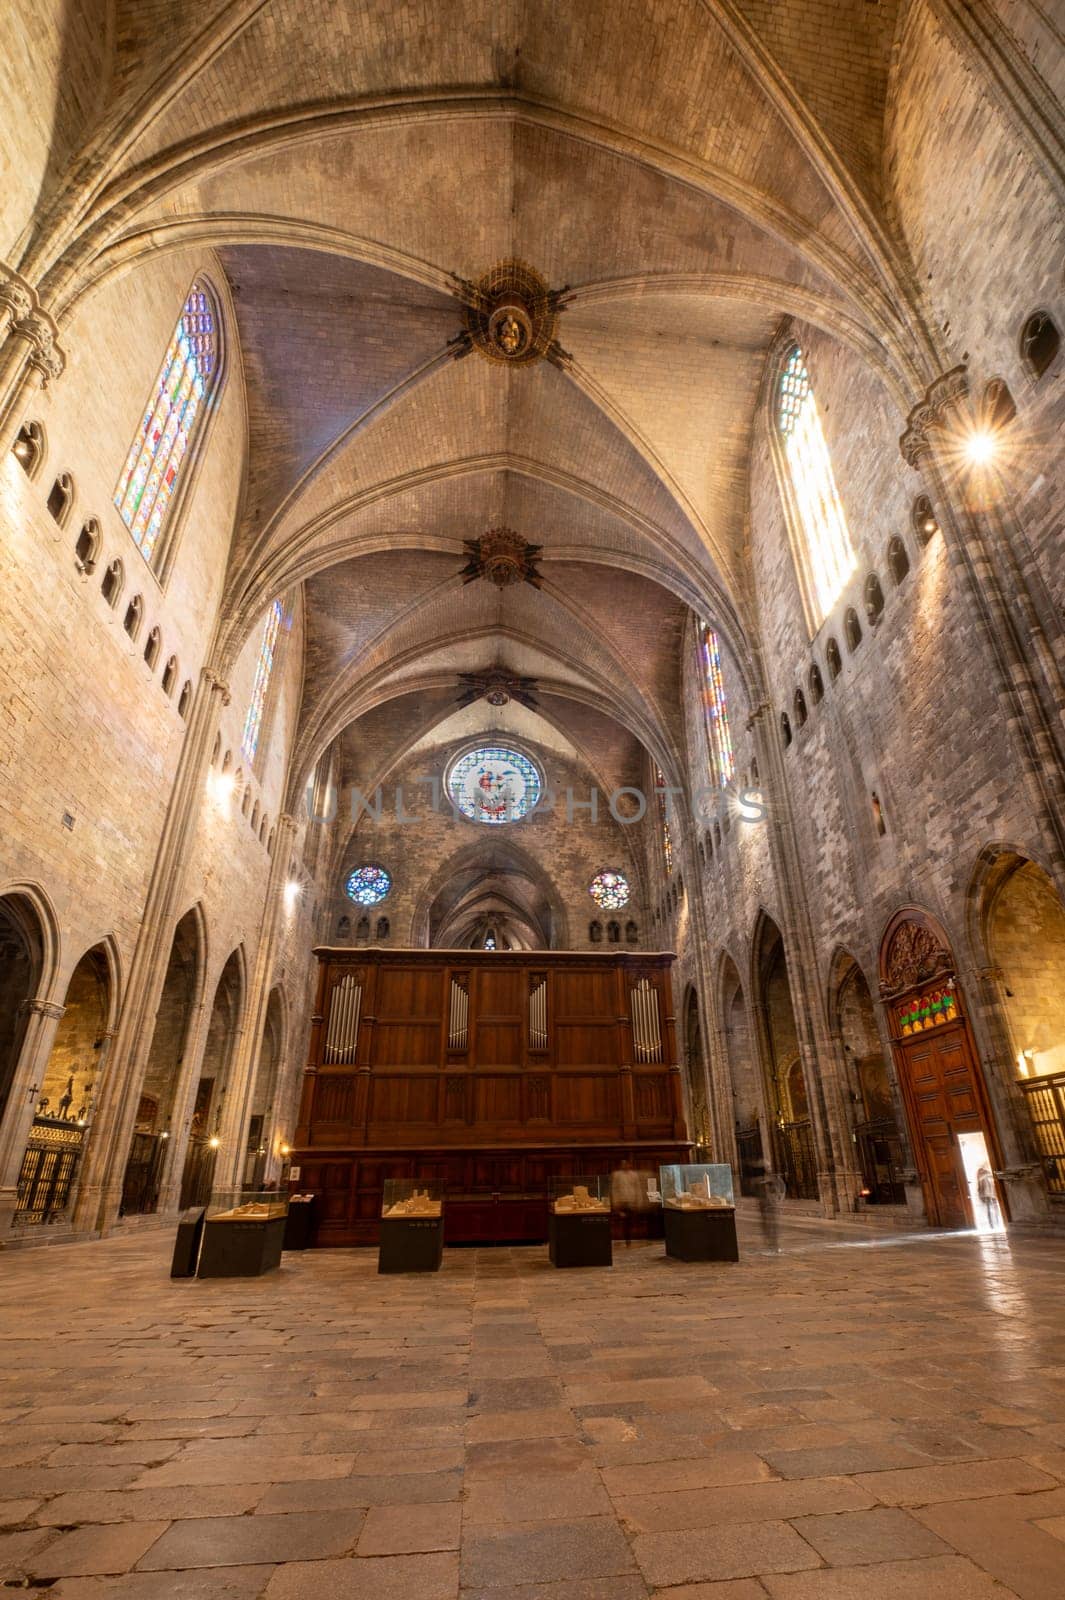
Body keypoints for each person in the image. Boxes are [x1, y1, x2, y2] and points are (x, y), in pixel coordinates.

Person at [610, 1160, 643, 1246]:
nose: (625, 1166)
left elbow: (638, 1188)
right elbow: (614, 1189)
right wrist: (615, 1202)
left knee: (630, 1221)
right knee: (624, 1221)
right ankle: (626, 1239)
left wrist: (639, 1201)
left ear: (629, 1165)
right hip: (622, 1202)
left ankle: (629, 1239)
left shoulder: (634, 1175)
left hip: (631, 1201)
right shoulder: (617, 1175)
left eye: (626, 1164)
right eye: (623, 1164)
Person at [976, 1164, 999, 1230]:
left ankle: (995, 1222)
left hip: (991, 1193)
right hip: (988, 1194)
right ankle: (992, 1224)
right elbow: (980, 1185)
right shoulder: (983, 1174)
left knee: (993, 1208)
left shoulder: (986, 1174)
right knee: (990, 1209)